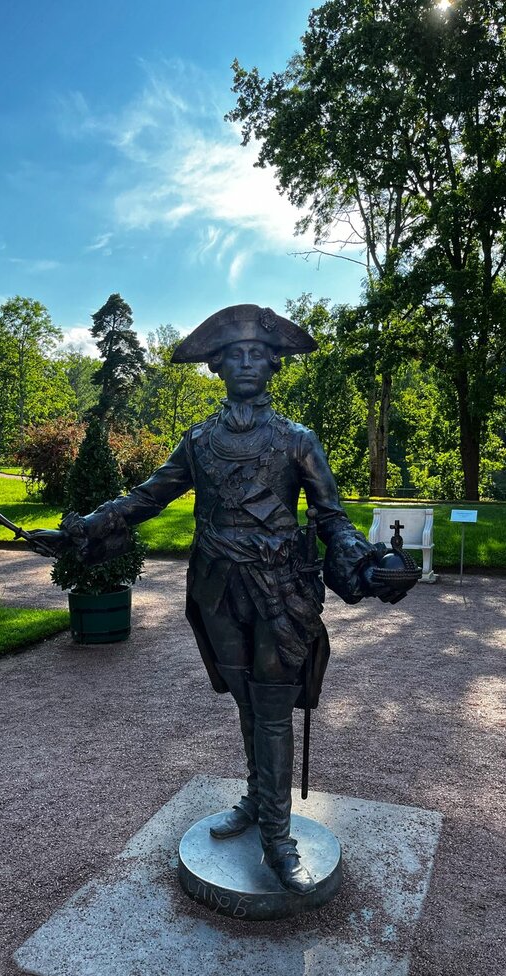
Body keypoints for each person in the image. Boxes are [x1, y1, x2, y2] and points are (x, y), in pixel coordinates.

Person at [29, 305, 417, 895]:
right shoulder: (199, 441)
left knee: (273, 707)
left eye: (257, 354)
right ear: (217, 367)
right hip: (215, 588)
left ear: (274, 365)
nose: (246, 363)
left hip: (279, 593)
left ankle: (278, 838)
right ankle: (259, 798)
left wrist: (366, 562)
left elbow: (332, 518)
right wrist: (83, 529)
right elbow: (148, 498)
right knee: (246, 699)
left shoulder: (297, 441)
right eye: (234, 355)